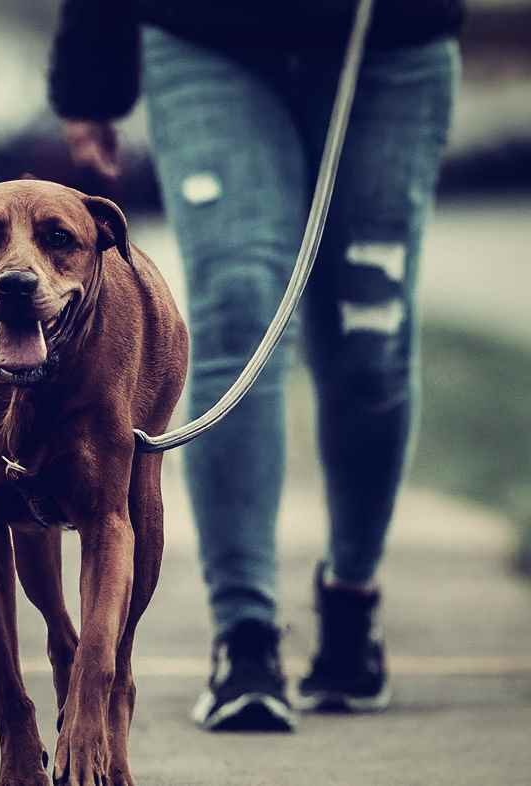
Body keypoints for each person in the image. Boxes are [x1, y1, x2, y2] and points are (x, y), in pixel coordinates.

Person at [49, 0, 462, 731]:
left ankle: (351, 603)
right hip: (210, 37)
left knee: (371, 335)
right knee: (237, 306)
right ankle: (244, 637)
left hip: (390, 43)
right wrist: (91, 74)